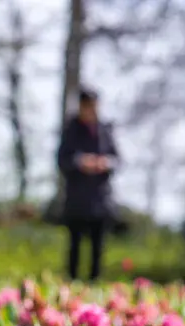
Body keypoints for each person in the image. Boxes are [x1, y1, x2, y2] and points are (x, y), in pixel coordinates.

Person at [57, 87, 120, 281]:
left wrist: (104, 163)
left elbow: (116, 158)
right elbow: (62, 159)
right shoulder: (71, 130)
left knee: (98, 245)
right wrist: (81, 161)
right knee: (75, 244)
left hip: (100, 198)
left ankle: (95, 280)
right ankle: (72, 280)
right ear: (81, 106)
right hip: (77, 198)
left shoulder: (105, 130)